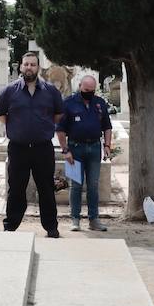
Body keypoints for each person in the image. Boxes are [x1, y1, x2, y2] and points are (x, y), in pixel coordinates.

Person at [0, 52, 64, 237]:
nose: (29, 68)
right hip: (18, 149)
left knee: (46, 188)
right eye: (26, 64)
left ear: (38, 67)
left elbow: (58, 115)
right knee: (16, 188)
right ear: (21, 66)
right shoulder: (10, 91)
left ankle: (51, 227)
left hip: (43, 148)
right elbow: (1, 114)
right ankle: (10, 226)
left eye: (33, 65)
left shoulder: (50, 91)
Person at [56, 74, 113, 232]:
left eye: (92, 90)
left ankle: (94, 219)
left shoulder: (99, 103)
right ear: (80, 86)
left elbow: (107, 127)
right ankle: (75, 219)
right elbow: (60, 130)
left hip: (94, 148)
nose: (89, 92)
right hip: (74, 149)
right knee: (75, 185)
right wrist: (65, 150)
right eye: (86, 89)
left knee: (93, 185)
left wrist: (107, 145)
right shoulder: (68, 103)